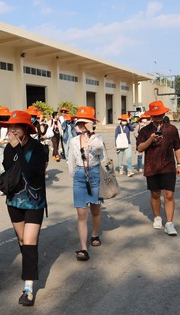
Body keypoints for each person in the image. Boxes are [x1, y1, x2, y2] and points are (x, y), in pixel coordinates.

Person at [0, 110, 47, 306]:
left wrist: (18, 149)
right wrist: (13, 149)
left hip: (35, 201)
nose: (12, 130)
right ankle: (30, 261)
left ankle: (28, 288)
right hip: (14, 201)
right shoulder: (8, 149)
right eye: (10, 127)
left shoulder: (39, 148)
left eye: (16, 126)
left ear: (26, 129)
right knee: (22, 240)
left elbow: (33, 175)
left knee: (29, 240)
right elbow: (9, 170)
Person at [136, 100, 180, 236]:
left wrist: (179, 164)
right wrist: (150, 140)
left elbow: (177, 147)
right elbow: (139, 148)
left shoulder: (171, 129)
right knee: (155, 194)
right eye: (154, 116)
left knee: (169, 195)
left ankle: (169, 223)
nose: (157, 118)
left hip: (168, 166)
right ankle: (157, 217)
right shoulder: (145, 131)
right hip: (152, 167)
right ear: (151, 116)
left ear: (163, 114)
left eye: (160, 115)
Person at [68, 106, 105, 261]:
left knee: (95, 210)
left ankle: (94, 234)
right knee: (81, 214)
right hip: (79, 176)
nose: (82, 125)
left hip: (95, 173)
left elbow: (98, 150)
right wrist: (76, 175)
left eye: (85, 122)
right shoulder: (73, 141)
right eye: (80, 122)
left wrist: (90, 133)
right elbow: (70, 162)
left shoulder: (97, 138)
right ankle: (83, 248)